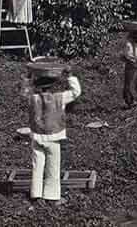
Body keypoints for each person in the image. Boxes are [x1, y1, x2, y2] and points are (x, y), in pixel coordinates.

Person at [20, 68, 82, 207]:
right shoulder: (60, 98)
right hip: (54, 137)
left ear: (37, 86)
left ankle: (35, 194)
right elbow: (76, 92)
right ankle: (52, 197)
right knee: (53, 166)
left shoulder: (32, 98)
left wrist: (27, 77)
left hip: (37, 136)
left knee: (37, 166)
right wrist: (70, 76)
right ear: (53, 86)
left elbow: (24, 91)